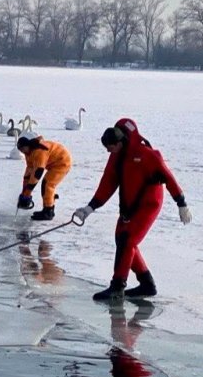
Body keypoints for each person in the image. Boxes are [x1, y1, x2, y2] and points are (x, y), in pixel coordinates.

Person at [72, 118, 191, 300]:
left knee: (128, 240)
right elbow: (107, 184)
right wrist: (90, 208)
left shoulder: (146, 154)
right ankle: (146, 284)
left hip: (149, 204)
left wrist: (181, 203)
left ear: (120, 142)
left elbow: (168, 177)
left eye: (110, 147)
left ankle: (118, 286)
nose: (108, 151)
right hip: (128, 204)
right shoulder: (116, 157)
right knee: (122, 239)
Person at [16, 130, 72, 221]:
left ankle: (48, 212)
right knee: (46, 184)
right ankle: (48, 208)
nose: (22, 152)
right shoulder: (28, 153)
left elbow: (37, 173)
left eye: (23, 149)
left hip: (63, 162)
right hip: (53, 164)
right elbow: (29, 172)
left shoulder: (39, 151)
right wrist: (24, 192)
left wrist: (28, 193)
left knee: (48, 184)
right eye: (20, 150)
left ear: (27, 146)